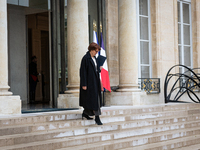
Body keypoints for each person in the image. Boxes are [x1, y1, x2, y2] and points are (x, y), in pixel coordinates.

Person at [79, 42, 103, 125]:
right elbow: (83, 72)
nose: (96, 53)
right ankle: (97, 118)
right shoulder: (85, 58)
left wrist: (99, 68)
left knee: (94, 100)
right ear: (91, 50)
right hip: (89, 83)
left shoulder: (95, 58)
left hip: (95, 82)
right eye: (96, 51)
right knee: (93, 100)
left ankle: (85, 113)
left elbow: (96, 71)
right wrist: (84, 84)